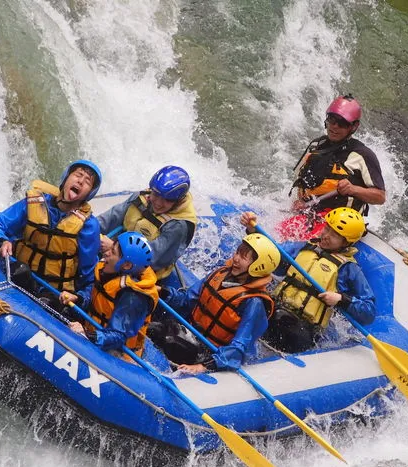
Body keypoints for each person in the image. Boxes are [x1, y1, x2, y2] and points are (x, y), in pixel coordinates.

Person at [242, 207, 375, 353]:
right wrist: (252, 231)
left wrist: (341, 299)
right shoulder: (303, 248)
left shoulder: (348, 269)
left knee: (281, 324)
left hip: (302, 329)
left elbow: (368, 311)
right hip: (275, 309)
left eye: (334, 234)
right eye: (327, 228)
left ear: (346, 243)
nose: (326, 235)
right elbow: (272, 254)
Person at [154, 233, 280, 374]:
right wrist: (162, 291)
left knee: (169, 340)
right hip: (192, 334)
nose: (236, 258)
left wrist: (204, 366)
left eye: (243, 257)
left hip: (210, 353)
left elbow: (239, 347)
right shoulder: (220, 275)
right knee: (156, 329)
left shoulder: (253, 302)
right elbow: (186, 299)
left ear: (259, 267)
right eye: (237, 252)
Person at [0, 160, 102, 300]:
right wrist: (1, 241)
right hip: (18, 273)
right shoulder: (35, 203)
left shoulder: (89, 226)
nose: (81, 181)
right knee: (21, 271)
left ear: (89, 193)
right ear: (66, 178)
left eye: (88, 181)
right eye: (78, 175)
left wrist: (79, 298)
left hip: (53, 293)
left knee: (50, 299)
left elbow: (88, 277)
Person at [280, 94, 386, 240]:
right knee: (278, 234)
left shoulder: (362, 155)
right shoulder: (316, 145)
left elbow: (380, 197)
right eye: (332, 120)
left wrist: (353, 189)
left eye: (342, 123)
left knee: (299, 245)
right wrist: (300, 202)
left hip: (340, 223)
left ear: (353, 126)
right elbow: (302, 180)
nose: (335, 126)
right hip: (312, 213)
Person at [59, 231, 159, 356]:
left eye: (113, 252)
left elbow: (118, 336)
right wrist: (78, 298)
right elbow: (94, 292)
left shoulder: (133, 297)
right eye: (111, 248)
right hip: (93, 328)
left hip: (115, 352)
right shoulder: (110, 271)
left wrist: (89, 335)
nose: (106, 253)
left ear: (126, 265)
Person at [97, 165, 197, 281]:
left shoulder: (179, 226)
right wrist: (89, 227)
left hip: (140, 272)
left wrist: (114, 247)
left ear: (178, 201)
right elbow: (110, 218)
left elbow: (151, 258)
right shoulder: (141, 197)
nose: (158, 203)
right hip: (114, 254)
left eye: (167, 200)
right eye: (156, 195)